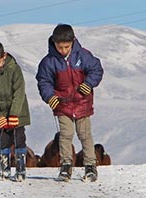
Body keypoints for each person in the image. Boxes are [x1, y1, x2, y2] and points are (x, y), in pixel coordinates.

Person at [36, 24, 103, 182]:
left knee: (85, 134)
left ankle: (90, 166)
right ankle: (66, 166)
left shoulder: (83, 56)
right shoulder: (48, 62)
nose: (63, 50)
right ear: (54, 43)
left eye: (67, 47)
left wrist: (89, 83)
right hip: (62, 105)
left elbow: (96, 69)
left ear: (73, 41)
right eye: (60, 47)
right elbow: (43, 81)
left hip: (82, 102)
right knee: (65, 135)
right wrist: (49, 96)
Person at [0, 41, 31, 182]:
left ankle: (21, 170)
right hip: (1, 114)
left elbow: (19, 92)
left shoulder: (14, 69)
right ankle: (5, 169)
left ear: (4, 56)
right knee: (3, 141)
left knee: (19, 139)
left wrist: (14, 114)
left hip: (18, 112)